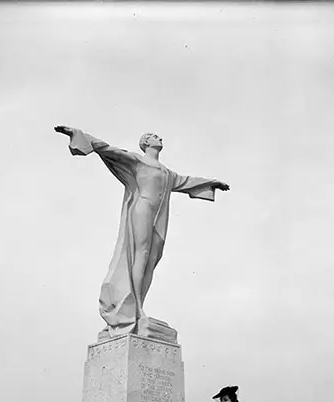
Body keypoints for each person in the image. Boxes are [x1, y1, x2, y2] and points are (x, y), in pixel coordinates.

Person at [54, 126, 230, 340]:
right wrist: (78, 134)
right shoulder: (137, 160)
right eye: (155, 136)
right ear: (146, 142)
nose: (160, 137)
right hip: (143, 208)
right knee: (141, 254)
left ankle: (139, 306)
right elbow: (108, 149)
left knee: (153, 259)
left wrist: (211, 183)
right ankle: (136, 309)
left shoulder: (167, 173)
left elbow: (186, 181)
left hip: (159, 216)